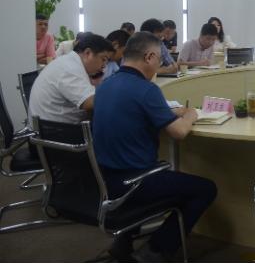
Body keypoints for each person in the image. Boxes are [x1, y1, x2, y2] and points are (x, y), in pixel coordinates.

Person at [93, 32, 217, 262]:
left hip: (104, 180)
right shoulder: (147, 89)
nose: (159, 66)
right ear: (149, 57)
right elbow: (179, 133)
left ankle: (124, 240)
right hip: (136, 182)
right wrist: (190, 114)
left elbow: (130, 111)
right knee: (206, 189)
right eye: (159, 59)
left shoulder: (104, 85)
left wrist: (169, 112)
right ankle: (154, 250)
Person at [28, 34, 114, 131]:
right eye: (103, 59)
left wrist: (94, 87)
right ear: (87, 53)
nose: (104, 66)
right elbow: (90, 103)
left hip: (52, 127)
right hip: (56, 134)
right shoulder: (70, 69)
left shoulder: (67, 62)